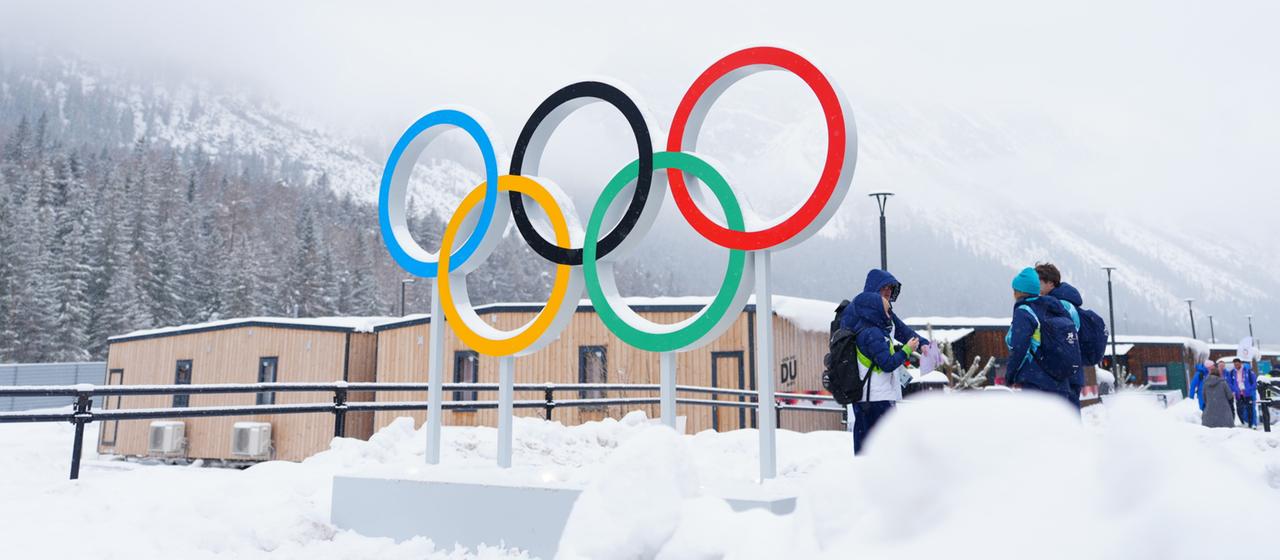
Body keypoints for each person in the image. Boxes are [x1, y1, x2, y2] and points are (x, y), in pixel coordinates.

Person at [840, 269, 930, 454]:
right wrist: (906, 350)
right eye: (884, 287)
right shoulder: (869, 320)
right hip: (871, 391)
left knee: (870, 443)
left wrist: (923, 343)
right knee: (882, 444)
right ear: (875, 288)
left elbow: (902, 331)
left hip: (871, 391)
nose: (888, 291)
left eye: (891, 288)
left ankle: (868, 468)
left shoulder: (876, 313)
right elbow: (885, 360)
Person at [1005, 267, 1076, 403]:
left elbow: (1019, 348)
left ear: (1018, 291)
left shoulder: (1024, 311)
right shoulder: (1054, 308)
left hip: (1035, 382)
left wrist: (1010, 376)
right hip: (1060, 381)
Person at [1035, 263, 1086, 407]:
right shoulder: (1069, 304)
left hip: (1060, 371)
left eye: (1039, 282)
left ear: (1050, 283)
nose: (1036, 286)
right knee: (1071, 413)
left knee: (1064, 415)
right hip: (1073, 368)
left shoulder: (1057, 305)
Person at [1224, 358, 1258, 428]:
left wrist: (1249, 389)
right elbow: (1229, 383)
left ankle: (1251, 424)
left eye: (1237, 364)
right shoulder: (1232, 372)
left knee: (1250, 409)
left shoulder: (1248, 371)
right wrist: (1235, 390)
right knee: (1239, 410)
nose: (1236, 366)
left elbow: (1254, 382)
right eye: (1235, 364)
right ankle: (1244, 422)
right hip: (1238, 394)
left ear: (1240, 363)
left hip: (1248, 394)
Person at [1201, 362, 1236, 428]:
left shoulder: (1205, 384)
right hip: (1224, 413)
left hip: (1209, 414)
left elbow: (1204, 397)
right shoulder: (1223, 383)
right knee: (1226, 430)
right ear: (1219, 374)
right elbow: (1229, 396)